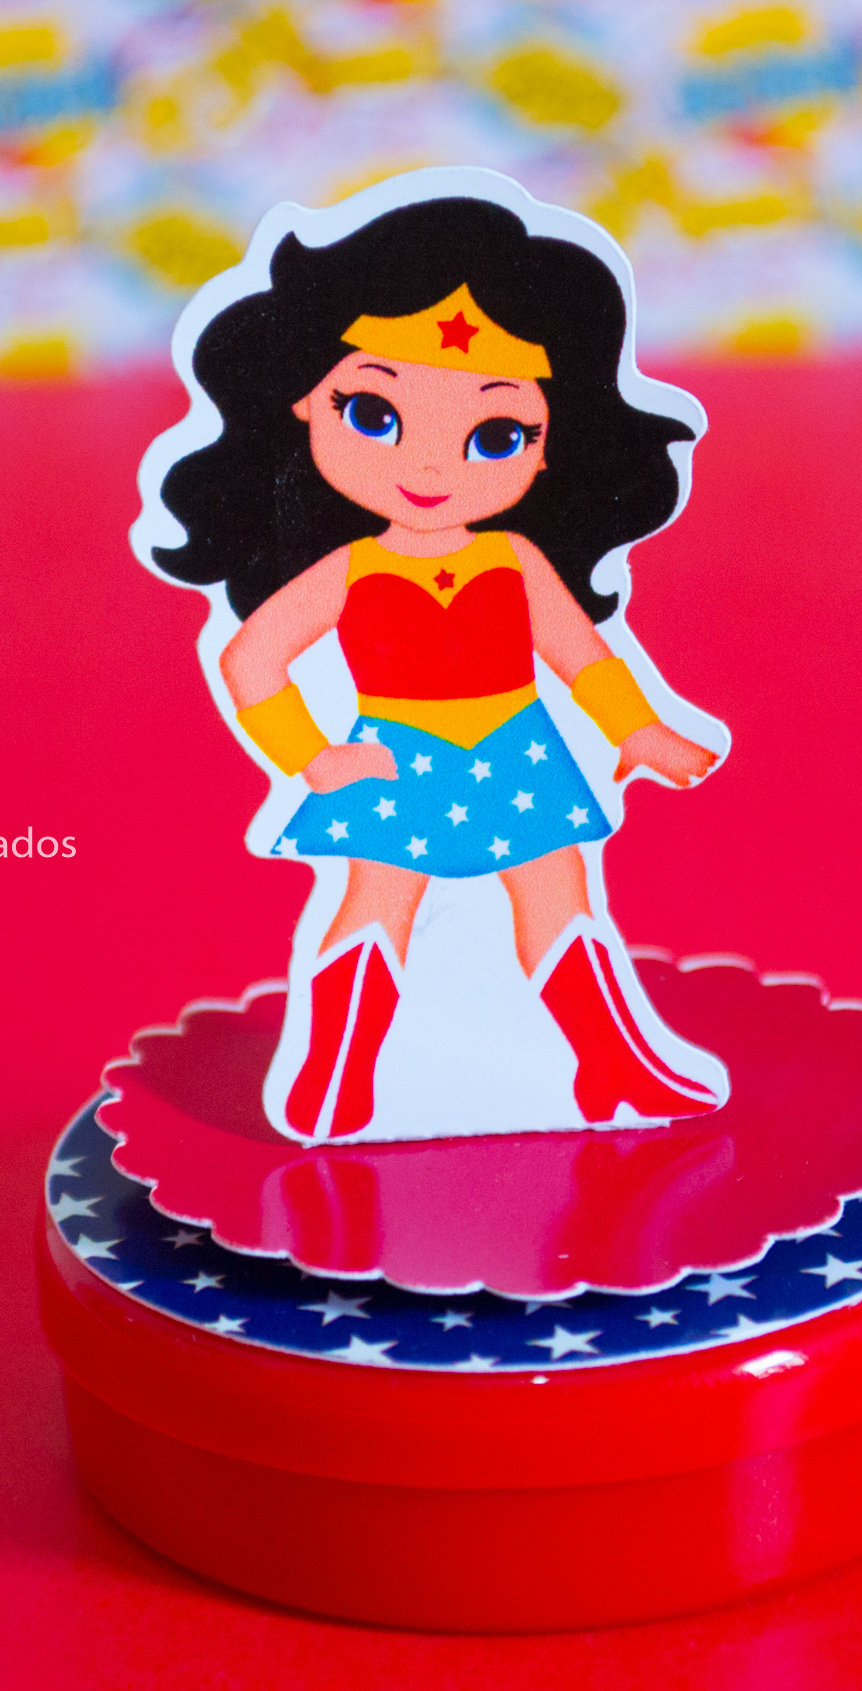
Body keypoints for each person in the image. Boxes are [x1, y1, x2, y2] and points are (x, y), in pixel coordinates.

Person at [145, 188, 726, 1140]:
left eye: (496, 436)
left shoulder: (515, 559)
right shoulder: (350, 569)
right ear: (305, 400)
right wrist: (311, 756)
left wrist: (639, 731)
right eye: (374, 412)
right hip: (397, 752)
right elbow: (251, 657)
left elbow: (583, 655)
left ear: (551, 444)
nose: (430, 466)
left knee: (559, 898)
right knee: (379, 901)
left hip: (519, 747)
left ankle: (614, 1064)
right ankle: (336, 1073)